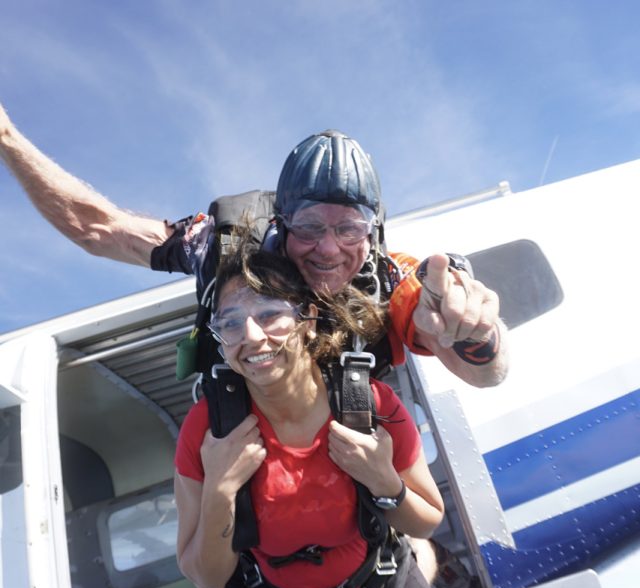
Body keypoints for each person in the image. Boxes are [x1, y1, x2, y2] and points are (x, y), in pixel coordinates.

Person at [0, 104, 507, 389]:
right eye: (309, 225)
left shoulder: (393, 279)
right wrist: (6, 137)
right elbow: (96, 229)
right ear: (282, 222)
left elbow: (485, 374)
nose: (329, 249)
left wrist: (476, 332)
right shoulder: (222, 248)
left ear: (372, 232)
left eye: (349, 228)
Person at [174, 234, 458, 588]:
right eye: (231, 323)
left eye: (270, 314)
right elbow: (206, 576)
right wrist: (220, 489)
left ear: (307, 320)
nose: (252, 336)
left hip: (377, 584)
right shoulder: (208, 430)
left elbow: (428, 521)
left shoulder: (367, 403)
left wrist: (384, 481)